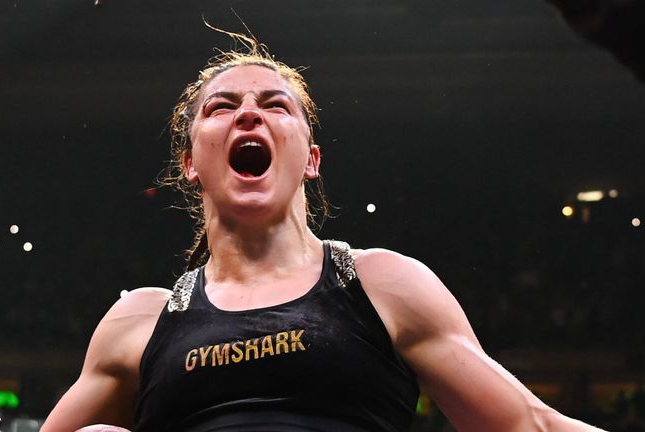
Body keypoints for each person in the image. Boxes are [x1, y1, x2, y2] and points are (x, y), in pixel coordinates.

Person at [42, 31, 607, 431]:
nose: (248, 114)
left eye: (274, 105)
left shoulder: (382, 284)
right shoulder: (139, 322)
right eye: (222, 106)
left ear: (310, 159)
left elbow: (531, 425)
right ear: (190, 161)